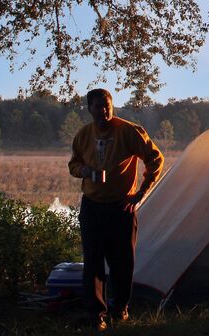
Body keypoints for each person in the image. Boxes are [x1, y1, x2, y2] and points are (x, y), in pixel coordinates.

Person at [68, 88, 164, 331]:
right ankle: (96, 315)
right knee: (92, 261)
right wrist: (85, 171)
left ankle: (120, 309)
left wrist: (141, 193)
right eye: (98, 107)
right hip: (91, 206)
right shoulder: (83, 135)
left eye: (107, 106)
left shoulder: (129, 131)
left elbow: (155, 158)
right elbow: (73, 164)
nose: (104, 111)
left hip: (121, 206)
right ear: (89, 109)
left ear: (112, 105)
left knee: (122, 262)